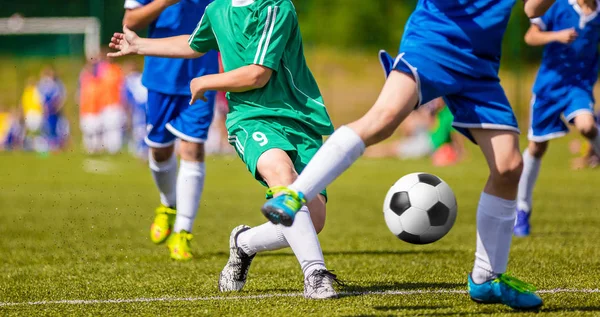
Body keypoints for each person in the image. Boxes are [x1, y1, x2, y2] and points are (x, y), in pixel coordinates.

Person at [261, 0, 558, 310]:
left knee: (510, 167)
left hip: (479, 64)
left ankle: (487, 277)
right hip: (434, 41)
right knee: (383, 120)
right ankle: (295, 195)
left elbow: (533, 10)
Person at [110, 0, 341, 299]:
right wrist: (141, 45)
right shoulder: (217, 9)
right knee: (282, 175)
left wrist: (206, 81)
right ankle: (316, 274)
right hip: (252, 119)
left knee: (314, 220)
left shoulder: (276, 7)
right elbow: (195, 43)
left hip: (299, 121)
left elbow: (257, 74)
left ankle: (244, 243)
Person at [122, 0, 219, 261]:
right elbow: (130, 22)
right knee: (160, 151)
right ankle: (168, 205)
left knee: (193, 148)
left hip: (202, 76)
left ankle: (183, 231)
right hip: (160, 78)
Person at [515, 0, 600, 237]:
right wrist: (556, 36)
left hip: (579, 87)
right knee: (537, 147)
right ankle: (521, 208)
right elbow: (530, 37)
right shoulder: (557, 6)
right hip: (549, 88)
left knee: (587, 126)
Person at [122, 61, 149, 161]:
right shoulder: (142, 76)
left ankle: (143, 151)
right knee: (147, 128)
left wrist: (128, 113)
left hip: (139, 106)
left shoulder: (128, 80)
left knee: (140, 128)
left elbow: (128, 98)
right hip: (149, 104)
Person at [38, 67, 69, 151]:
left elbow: (59, 97)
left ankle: (57, 146)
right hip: (47, 112)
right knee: (47, 128)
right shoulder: (43, 84)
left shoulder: (57, 84)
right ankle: (50, 146)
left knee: (57, 128)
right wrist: (44, 108)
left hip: (54, 111)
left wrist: (56, 106)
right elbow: (41, 98)